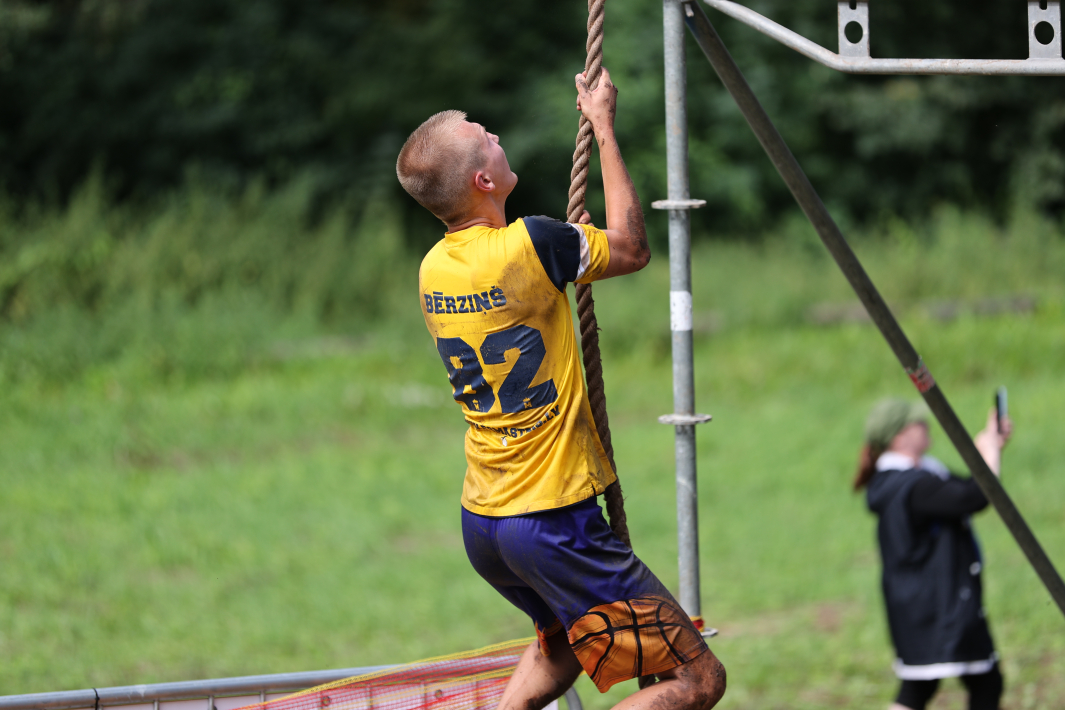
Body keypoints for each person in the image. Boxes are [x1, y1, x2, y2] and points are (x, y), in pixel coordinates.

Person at [395, 69, 726, 710]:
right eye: (484, 137)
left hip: (484, 524)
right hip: (551, 521)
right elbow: (632, 248)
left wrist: (570, 239)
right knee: (698, 680)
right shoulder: (532, 244)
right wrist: (603, 125)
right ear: (483, 181)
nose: (495, 135)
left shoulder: (433, 269)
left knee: (563, 645)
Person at [854, 398, 1012, 710]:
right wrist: (989, 451)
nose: (927, 426)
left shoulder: (909, 478)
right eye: (919, 423)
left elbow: (966, 488)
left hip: (922, 604)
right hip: (939, 605)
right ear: (899, 437)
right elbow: (976, 496)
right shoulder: (913, 486)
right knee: (983, 683)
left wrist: (988, 448)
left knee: (923, 688)